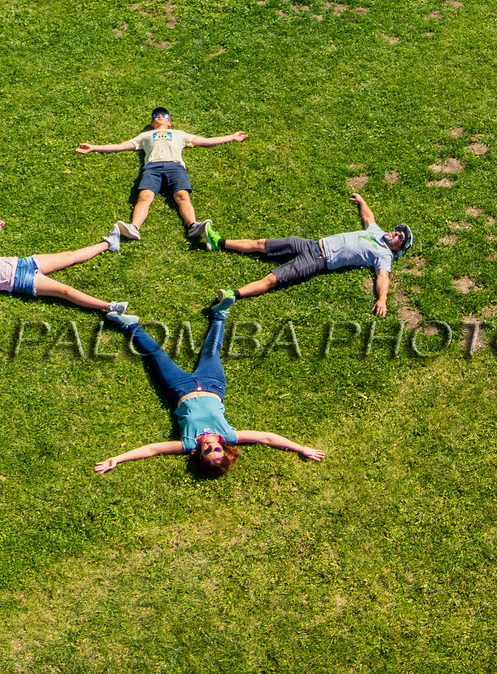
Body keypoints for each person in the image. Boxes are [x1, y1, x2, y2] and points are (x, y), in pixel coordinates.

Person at [94, 297, 324, 479]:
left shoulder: (188, 443)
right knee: (212, 351)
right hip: (213, 385)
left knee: (156, 355)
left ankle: (131, 325)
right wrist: (301, 448)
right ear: (225, 450)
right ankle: (220, 314)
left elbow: (152, 450)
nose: (212, 447)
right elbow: (267, 438)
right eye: (217, 451)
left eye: (208, 452)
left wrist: (119, 458)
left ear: (199, 455)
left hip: (179, 389)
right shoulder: (229, 435)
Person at [208, 193, 411, 317]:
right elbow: (368, 217)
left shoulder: (384, 255)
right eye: (398, 230)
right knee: (261, 243)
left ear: (398, 248)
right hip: (312, 243)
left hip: (318, 260)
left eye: (400, 237)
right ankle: (218, 242)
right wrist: (361, 200)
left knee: (272, 279)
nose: (396, 233)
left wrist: (382, 299)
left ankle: (232, 295)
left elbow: (383, 277)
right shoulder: (376, 232)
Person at [75, 107, 246, 247]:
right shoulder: (145, 136)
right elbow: (121, 146)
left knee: (182, 196)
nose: (160, 117)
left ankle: (193, 226)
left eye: (163, 115)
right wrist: (94, 147)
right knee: (144, 196)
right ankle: (134, 227)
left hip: (175, 166)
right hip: (152, 168)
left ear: (169, 122)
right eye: (156, 116)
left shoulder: (179, 133)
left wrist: (231, 137)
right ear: (151, 122)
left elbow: (206, 141)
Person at [0, 216, 129, 336]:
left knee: (70, 256)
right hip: (21, 281)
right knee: (66, 291)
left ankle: (109, 244)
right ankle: (110, 306)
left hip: (25, 263)